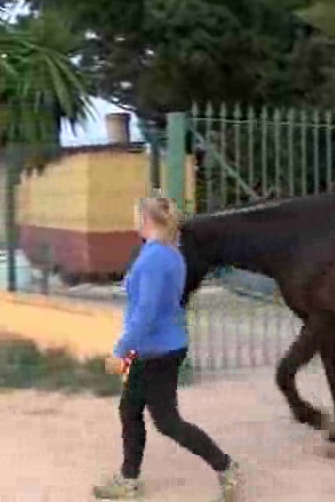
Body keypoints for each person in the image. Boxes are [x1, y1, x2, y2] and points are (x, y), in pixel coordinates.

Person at [93, 197, 241, 501]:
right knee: (130, 409)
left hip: (156, 351)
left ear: (147, 220)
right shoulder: (168, 253)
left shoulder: (154, 258)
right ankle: (128, 479)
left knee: (168, 422)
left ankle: (226, 467)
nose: (135, 223)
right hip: (157, 346)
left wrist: (121, 349)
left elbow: (146, 312)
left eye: (137, 217)